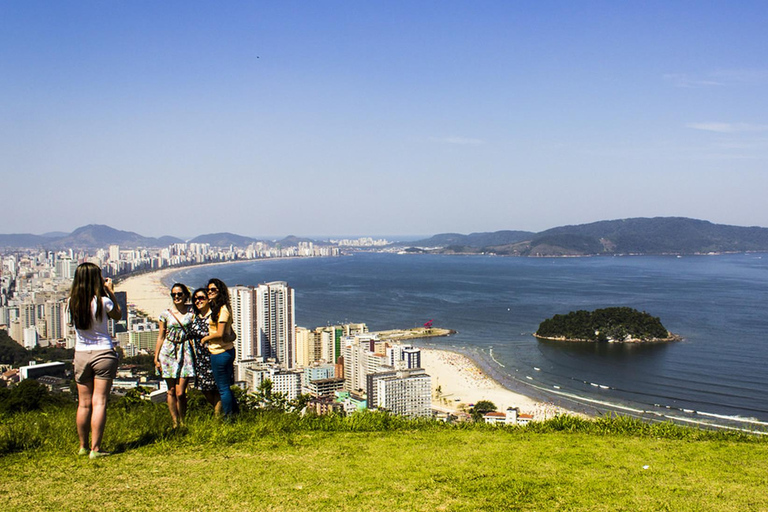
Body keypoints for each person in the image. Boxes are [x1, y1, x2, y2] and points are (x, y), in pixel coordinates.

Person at [69, 262, 121, 459]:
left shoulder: (71, 302)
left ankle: (82, 446)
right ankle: (96, 449)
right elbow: (118, 314)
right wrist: (110, 292)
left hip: (81, 353)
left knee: (83, 403)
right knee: (99, 402)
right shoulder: (102, 301)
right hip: (103, 353)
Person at [154, 283, 195, 428]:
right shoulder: (165, 314)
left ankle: (183, 420)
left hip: (185, 351)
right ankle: (175, 423)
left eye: (179, 294)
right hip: (168, 351)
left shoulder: (192, 312)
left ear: (185, 295)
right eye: (174, 294)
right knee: (170, 390)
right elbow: (160, 336)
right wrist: (156, 357)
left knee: (180, 392)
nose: (176, 297)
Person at [201, 278, 238, 417]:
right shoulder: (220, 308)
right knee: (226, 387)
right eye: (208, 290)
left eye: (213, 290)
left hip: (220, 353)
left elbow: (220, 333)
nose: (210, 292)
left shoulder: (222, 310)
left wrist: (205, 339)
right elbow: (230, 333)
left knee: (222, 389)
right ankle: (235, 414)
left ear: (220, 291)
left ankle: (229, 418)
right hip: (226, 350)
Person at [189, 287, 221, 413]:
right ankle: (221, 413)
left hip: (214, 356)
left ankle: (218, 419)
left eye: (201, 298)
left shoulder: (215, 316)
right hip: (200, 359)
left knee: (217, 389)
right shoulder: (194, 317)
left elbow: (226, 333)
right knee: (205, 389)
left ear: (208, 299)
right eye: (195, 298)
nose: (198, 301)